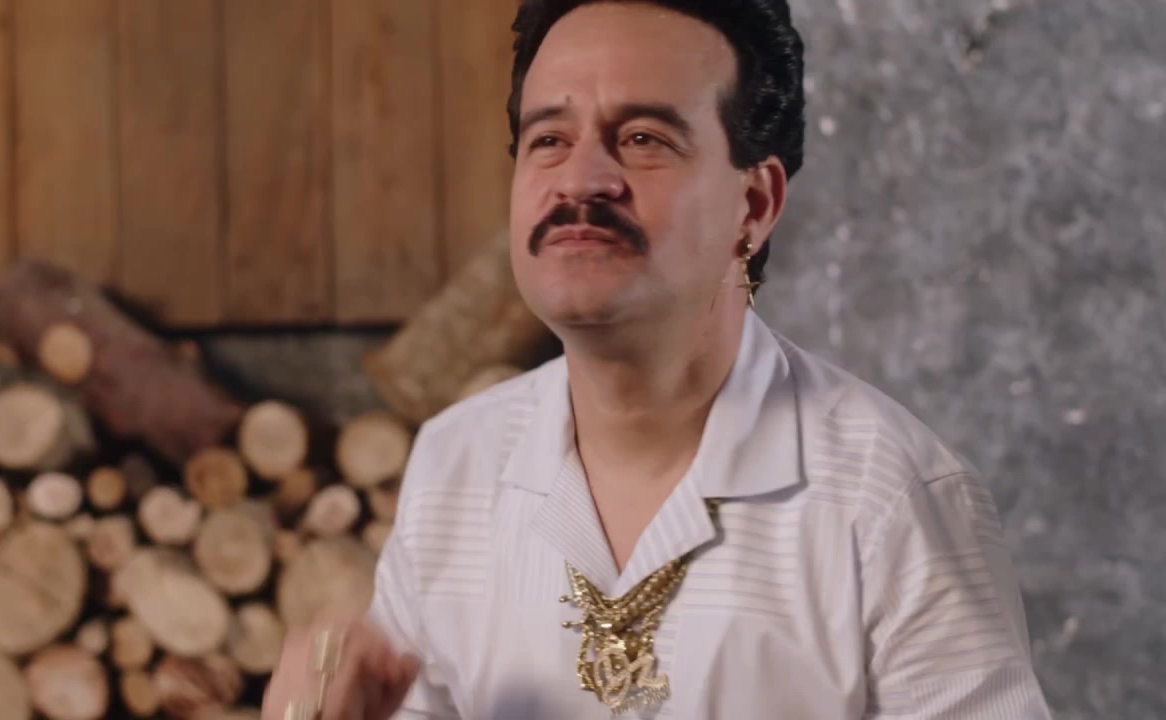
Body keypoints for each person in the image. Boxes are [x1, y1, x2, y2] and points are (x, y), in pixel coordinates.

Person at [263, 1, 1054, 718]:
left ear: (754, 205)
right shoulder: (457, 465)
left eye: (643, 139)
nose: (581, 180)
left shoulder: (887, 497)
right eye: (549, 140)